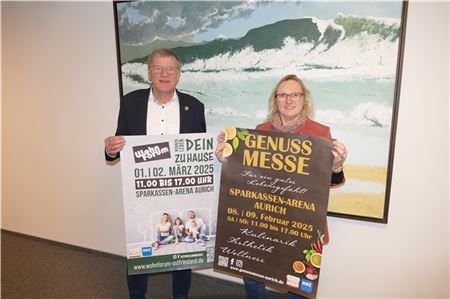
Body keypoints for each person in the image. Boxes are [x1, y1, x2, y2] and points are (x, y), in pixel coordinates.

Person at [215, 74, 347, 299]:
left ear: (304, 99)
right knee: (253, 273)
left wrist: (336, 165)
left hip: (300, 222)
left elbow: (327, 183)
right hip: (263, 218)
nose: (288, 100)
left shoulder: (320, 133)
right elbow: (248, 174)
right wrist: (227, 157)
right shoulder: (260, 129)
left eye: (295, 94)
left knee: (298, 284)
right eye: (282, 95)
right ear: (274, 100)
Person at [104, 48, 206, 299]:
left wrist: (217, 151)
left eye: (170, 68)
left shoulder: (195, 106)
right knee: (139, 252)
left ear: (178, 74)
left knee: (182, 252)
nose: (164, 73)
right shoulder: (130, 102)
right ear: (149, 72)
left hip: (180, 193)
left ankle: (180, 296)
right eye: (157, 68)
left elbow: (201, 152)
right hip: (142, 193)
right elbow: (121, 144)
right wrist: (110, 150)